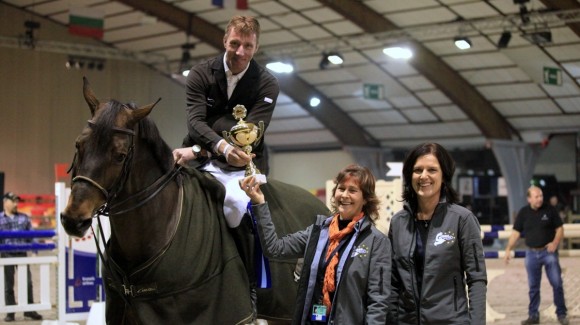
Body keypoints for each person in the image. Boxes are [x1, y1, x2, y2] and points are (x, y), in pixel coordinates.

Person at [171, 15, 279, 321]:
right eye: (235, 43)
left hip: (243, 165)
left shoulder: (268, 82)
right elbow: (194, 121)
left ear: (256, 47)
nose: (240, 52)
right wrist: (216, 146)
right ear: (224, 41)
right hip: (204, 158)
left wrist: (202, 142)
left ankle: (249, 286)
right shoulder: (201, 73)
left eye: (248, 46)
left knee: (233, 206)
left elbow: (250, 133)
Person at [240, 164, 392, 324]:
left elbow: (378, 301)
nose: (345, 195)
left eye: (353, 191)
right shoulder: (319, 232)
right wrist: (260, 203)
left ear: (366, 198)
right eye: (341, 189)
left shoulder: (376, 241)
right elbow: (274, 248)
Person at [388, 142, 487, 324]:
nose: (423, 176)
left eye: (432, 170)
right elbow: (393, 282)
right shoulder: (398, 223)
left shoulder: (463, 219)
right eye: (418, 170)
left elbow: (477, 279)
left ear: (444, 176)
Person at [504, 186, 569, 325]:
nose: (540, 199)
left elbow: (560, 229)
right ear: (529, 199)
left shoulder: (550, 210)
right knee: (533, 287)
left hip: (549, 253)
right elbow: (516, 233)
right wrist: (508, 249)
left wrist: (555, 243)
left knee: (557, 284)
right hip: (531, 254)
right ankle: (533, 316)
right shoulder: (523, 213)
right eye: (536, 196)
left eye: (541, 196)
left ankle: (562, 314)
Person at [0, 192, 43, 322]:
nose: (16, 204)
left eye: (17, 201)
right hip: (6, 254)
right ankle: (10, 312)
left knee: (28, 283)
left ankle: (29, 310)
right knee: (8, 284)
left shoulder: (24, 218)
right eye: (13, 201)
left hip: (22, 253)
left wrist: (35, 251)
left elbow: (32, 235)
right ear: (5, 202)